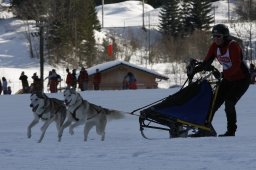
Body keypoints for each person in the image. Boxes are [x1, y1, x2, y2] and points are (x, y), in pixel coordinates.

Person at [189, 24, 250, 137]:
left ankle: (231, 132)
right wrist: (195, 70)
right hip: (228, 78)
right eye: (214, 36)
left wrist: (223, 74)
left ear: (225, 36)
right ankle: (205, 128)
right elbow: (206, 62)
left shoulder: (233, 46)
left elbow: (236, 66)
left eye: (218, 36)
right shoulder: (214, 47)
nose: (216, 39)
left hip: (242, 79)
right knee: (213, 102)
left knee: (229, 103)